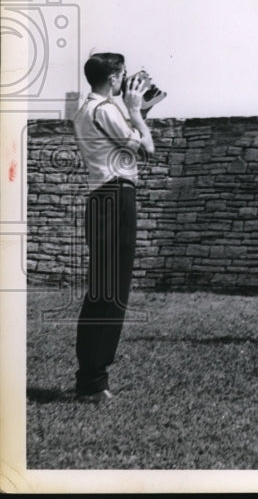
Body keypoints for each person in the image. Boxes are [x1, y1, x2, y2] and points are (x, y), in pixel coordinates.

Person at [71, 53, 159, 403]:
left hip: (102, 198)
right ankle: (92, 382)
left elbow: (125, 143)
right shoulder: (106, 110)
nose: (125, 81)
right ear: (112, 77)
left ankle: (91, 378)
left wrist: (139, 111)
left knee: (104, 289)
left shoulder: (87, 110)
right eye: (122, 75)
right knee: (110, 291)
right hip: (115, 196)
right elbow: (146, 148)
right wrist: (135, 111)